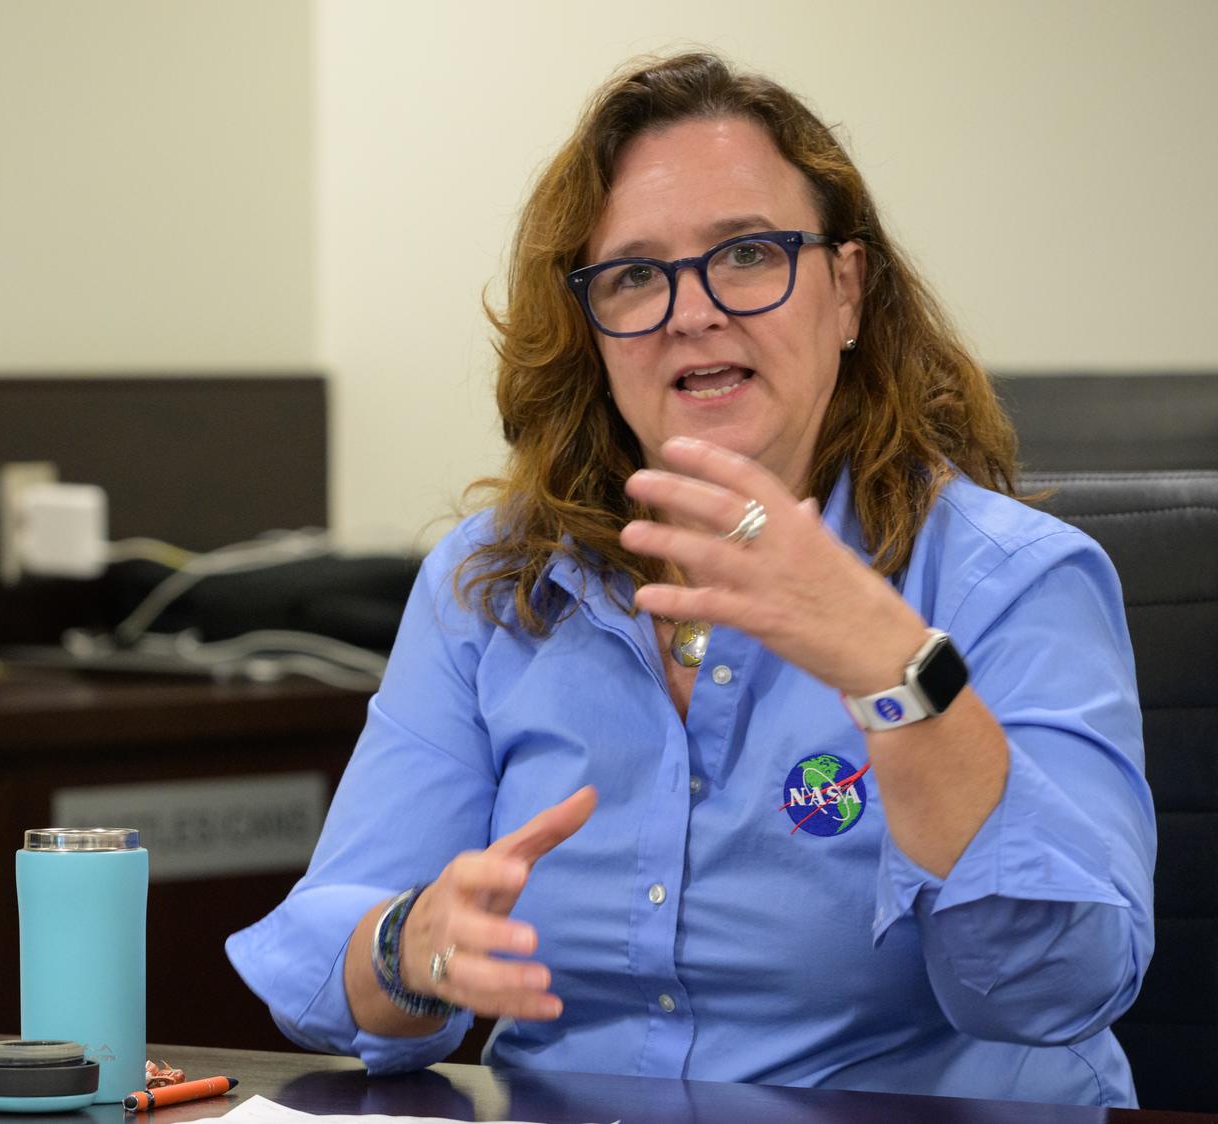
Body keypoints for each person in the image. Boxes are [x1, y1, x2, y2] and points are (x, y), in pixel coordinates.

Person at [227, 52, 1154, 1106]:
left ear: (845, 291)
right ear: (589, 330)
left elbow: (1052, 987)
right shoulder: (494, 581)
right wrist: (407, 941)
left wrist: (892, 671)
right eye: (632, 275)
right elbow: (316, 967)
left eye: (746, 254)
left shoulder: (1012, 578)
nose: (689, 310)